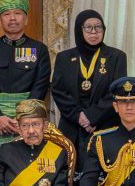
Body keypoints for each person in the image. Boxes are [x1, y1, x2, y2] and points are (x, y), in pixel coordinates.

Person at [0, 0, 51, 176]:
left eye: (17, 13)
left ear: (26, 18)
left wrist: (24, 118)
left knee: (26, 171)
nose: (12, 18)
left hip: (28, 121)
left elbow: (40, 85)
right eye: (6, 14)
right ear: (0, 20)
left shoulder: (39, 49)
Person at [51, 8, 128, 148]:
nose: (94, 32)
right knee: (69, 161)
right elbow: (58, 91)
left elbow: (117, 91)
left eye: (98, 27)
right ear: (79, 30)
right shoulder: (64, 58)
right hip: (71, 126)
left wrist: (92, 116)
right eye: (88, 27)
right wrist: (79, 116)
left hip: (105, 125)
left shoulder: (117, 57)